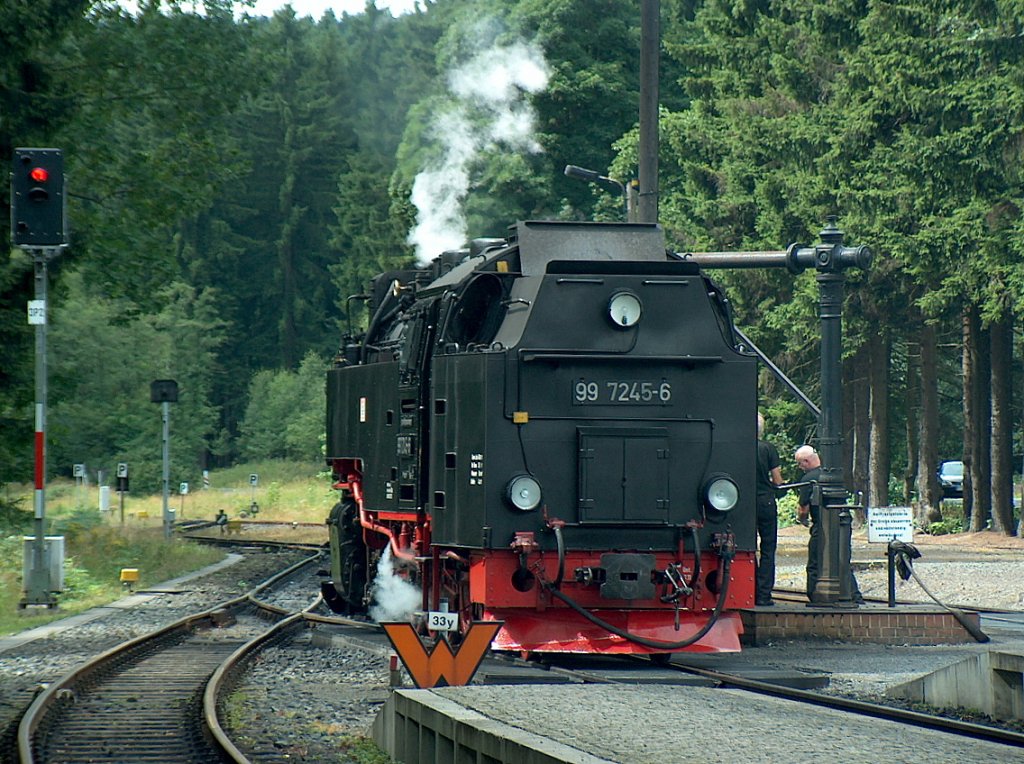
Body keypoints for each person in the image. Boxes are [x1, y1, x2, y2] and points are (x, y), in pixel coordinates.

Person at [795, 445, 863, 604]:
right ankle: (854, 595)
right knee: (842, 560)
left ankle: (815, 596)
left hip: (821, 526)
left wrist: (802, 519)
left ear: (806, 461)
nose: (800, 467)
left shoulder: (808, 479)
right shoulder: (835, 475)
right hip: (842, 523)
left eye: (800, 464)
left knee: (814, 563)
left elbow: (803, 508)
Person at [755, 412, 784, 606]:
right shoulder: (768, 449)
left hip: (743, 503)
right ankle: (763, 594)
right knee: (767, 548)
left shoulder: (738, 447)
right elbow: (777, 480)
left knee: (745, 548)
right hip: (765, 501)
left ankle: (747, 588)